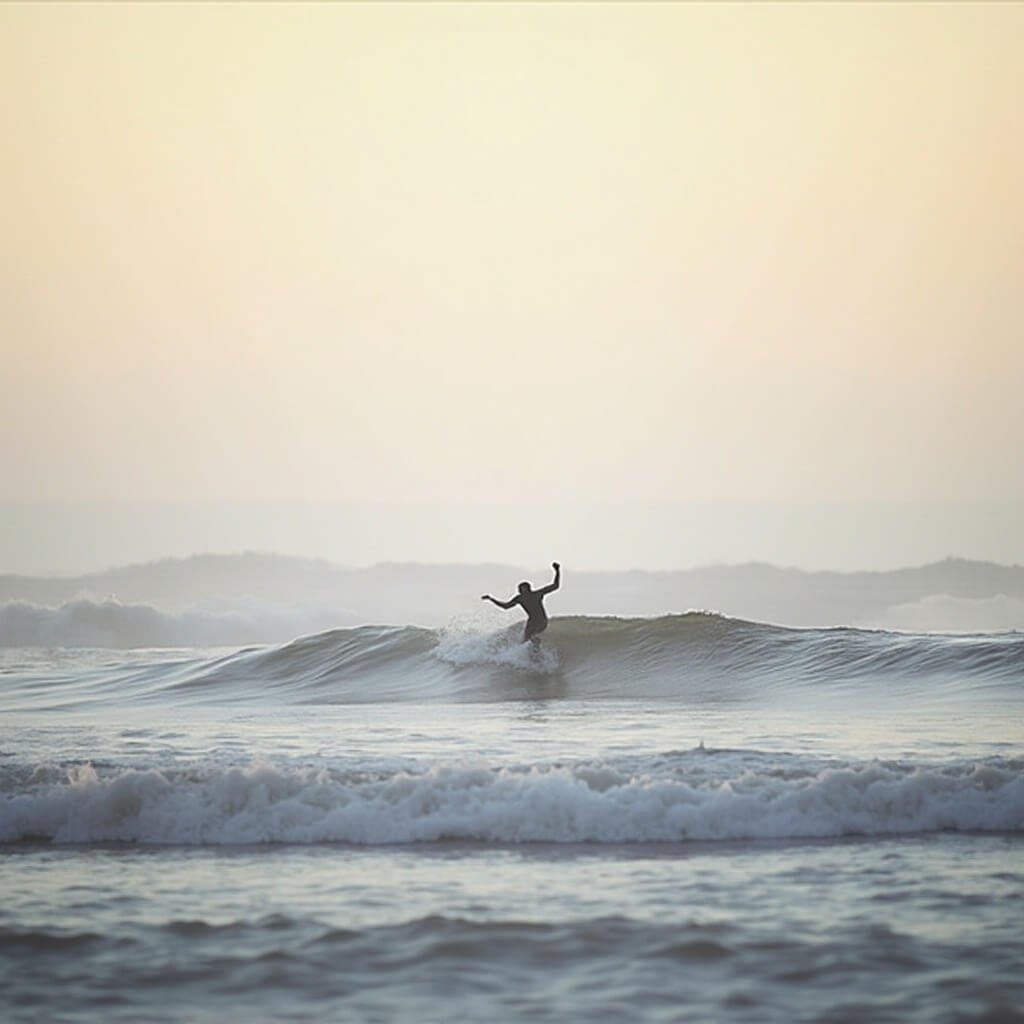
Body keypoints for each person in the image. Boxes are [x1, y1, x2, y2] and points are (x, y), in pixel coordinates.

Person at [482, 562, 561, 643]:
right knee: (526, 640)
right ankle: (533, 652)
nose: (520, 591)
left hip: (541, 621)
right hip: (532, 621)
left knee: (530, 637)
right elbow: (505, 606)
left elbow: (555, 586)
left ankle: (535, 645)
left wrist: (557, 571)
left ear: (528, 589)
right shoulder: (521, 598)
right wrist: (491, 599)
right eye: (520, 589)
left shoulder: (535, 594)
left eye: (522, 589)